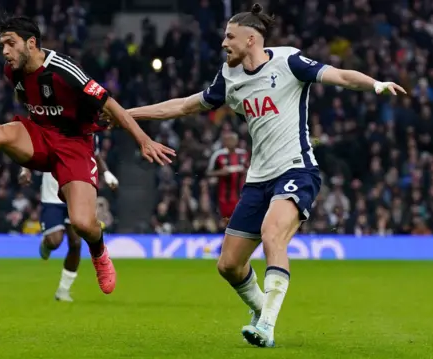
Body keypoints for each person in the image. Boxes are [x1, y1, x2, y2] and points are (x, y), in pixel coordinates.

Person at [121, 3, 406, 347]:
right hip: (258, 180)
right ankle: (260, 311)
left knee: (273, 233)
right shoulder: (229, 77)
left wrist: (376, 84)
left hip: (297, 169)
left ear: (251, 39)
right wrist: (125, 114)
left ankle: (267, 326)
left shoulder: (289, 62)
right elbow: (183, 105)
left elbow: (341, 75)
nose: (224, 43)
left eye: (230, 37)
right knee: (228, 265)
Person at [0, 10, 174, 295]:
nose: (4, 51)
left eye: (10, 43)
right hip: (39, 135)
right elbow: (27, 100)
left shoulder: (64, 70)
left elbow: (111, 104)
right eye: (2, 44)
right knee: (2, 131)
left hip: (75, 144)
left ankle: (100, 253)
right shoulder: (11, 71)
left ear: (31, 43)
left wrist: (142, 140)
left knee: (82, 223)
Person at [18, 134, 119, 302]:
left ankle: (63, 290)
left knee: (76, 243)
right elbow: (29, 149)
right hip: (52, 196)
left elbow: (95, 155)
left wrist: (107, 173)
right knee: (54, 241)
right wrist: (25, 169)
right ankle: (47, 244)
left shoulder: (88, 132)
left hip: (78, 192)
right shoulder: (50, 126)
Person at [207, 132, 249, 225]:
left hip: (241, 195)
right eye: (229, 140)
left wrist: (245, 171)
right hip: (224, 196)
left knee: (240, 221)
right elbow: (208, 173)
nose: (231, 142)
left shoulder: (243, 154)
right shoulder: (218, 155)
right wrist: (220, 172)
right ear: (225, 142)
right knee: (226, 221)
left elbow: (250, 168)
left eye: (233, 139)